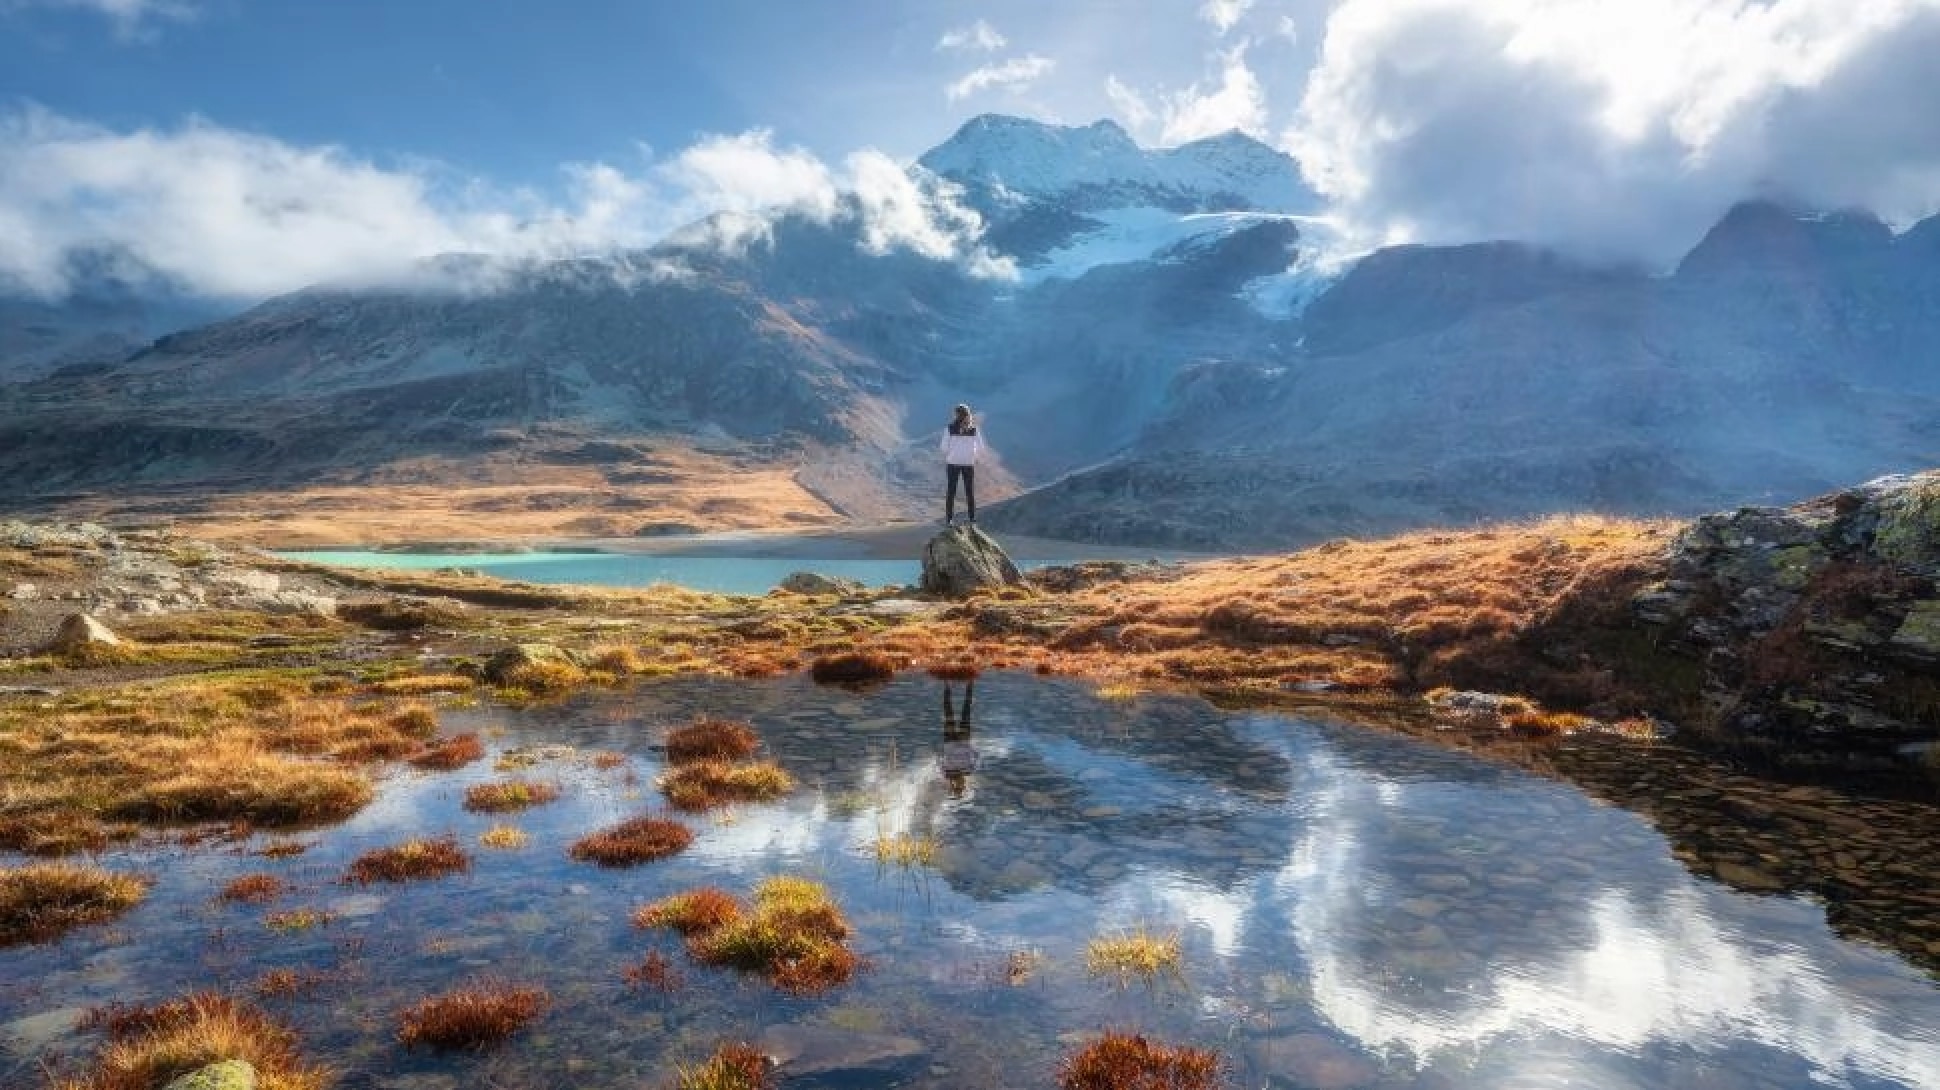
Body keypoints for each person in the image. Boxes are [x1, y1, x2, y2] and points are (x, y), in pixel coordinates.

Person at [940, 403, 982, 526]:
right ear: (968, 415)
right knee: (969, 491)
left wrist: (952, 452)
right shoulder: (974, 430)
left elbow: (943, 447)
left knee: (951, 491)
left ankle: (949, 520)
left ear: (956, 415)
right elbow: (981, 447)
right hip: (968, 463)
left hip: (953, 463)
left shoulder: (949, 429)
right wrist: (972, 454)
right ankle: (972, 518)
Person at [939, 679, 978, 799]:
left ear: (955, 785)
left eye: (960, 786)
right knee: (959, 711)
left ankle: (951, 684)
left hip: (956, 740)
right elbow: (976, 755)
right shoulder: (951, 773)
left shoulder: (965, 771)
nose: (963, 784)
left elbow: (976, 755)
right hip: (956, 740)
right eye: (963, 786)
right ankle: (966, 683)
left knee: (953, 711)